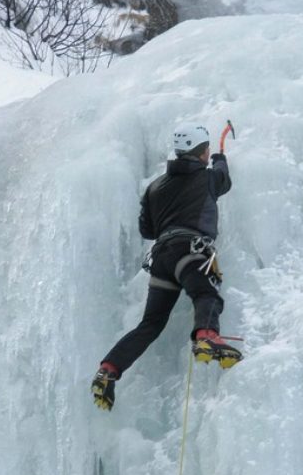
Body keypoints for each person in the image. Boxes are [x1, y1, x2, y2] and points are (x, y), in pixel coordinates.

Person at [91, 122, 242, 411]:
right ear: (201, 152)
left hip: (162, 259)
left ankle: (109, 368)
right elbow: (224, 180)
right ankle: (207, 336)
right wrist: (220, 158)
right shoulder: (208, 177)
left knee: (150, 324)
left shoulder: (154, 187)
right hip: (192, 251)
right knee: (206, 294)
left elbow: (146, 229)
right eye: (207, 149)